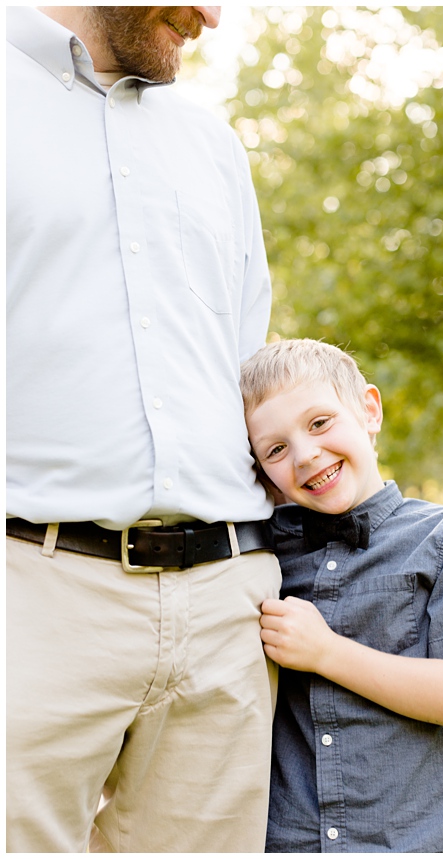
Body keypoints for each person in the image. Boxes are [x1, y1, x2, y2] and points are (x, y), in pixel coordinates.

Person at [5, 6, 284, 851]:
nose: (211, 14)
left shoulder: (212, 145)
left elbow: (244, 360)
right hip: (33, 595)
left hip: (226, 601)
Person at [239, 339, 443, 852]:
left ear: (369, 410)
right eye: (276, 449)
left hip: (420, 842)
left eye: (320, 423)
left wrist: (325, 652)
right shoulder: (257, 551)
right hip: (291, 841)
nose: (306, 456)